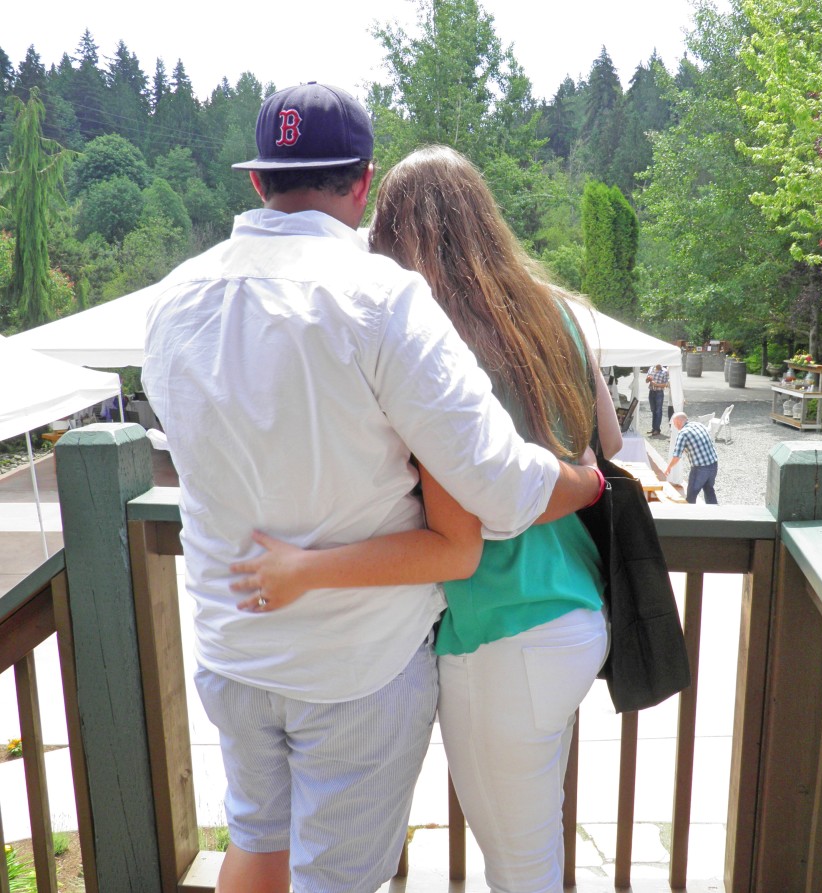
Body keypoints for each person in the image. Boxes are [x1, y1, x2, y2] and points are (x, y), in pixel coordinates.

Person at [141, 85, 603, 893]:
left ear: (258, 182)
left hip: (232, 649)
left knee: (254, 843)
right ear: (362, 183)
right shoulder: (380, 300)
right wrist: (587, 483)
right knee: (338, 877)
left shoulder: (173, 301)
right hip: (353, 667)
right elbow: (494, 483)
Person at [664, 411, 719, 504]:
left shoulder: (683, 433)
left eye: (674, 423)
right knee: (709, 490)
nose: (674, 425)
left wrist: (669, 467)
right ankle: (716, 515)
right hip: (713, 464)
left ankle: (689, 516)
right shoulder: (698, 425)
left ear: (678, 422)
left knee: (691, 496)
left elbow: (677, 455)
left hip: (700, 468)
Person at [645, 363, 670, 436]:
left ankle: (657, 429)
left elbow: (666, 384)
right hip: (651, 391)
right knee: (653, 410)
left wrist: (656, 385)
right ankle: (653, 428)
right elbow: (646, 381)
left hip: (659, 392)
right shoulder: (651, 368)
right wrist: (648, 379)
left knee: (658, 411)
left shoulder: (664, 371)